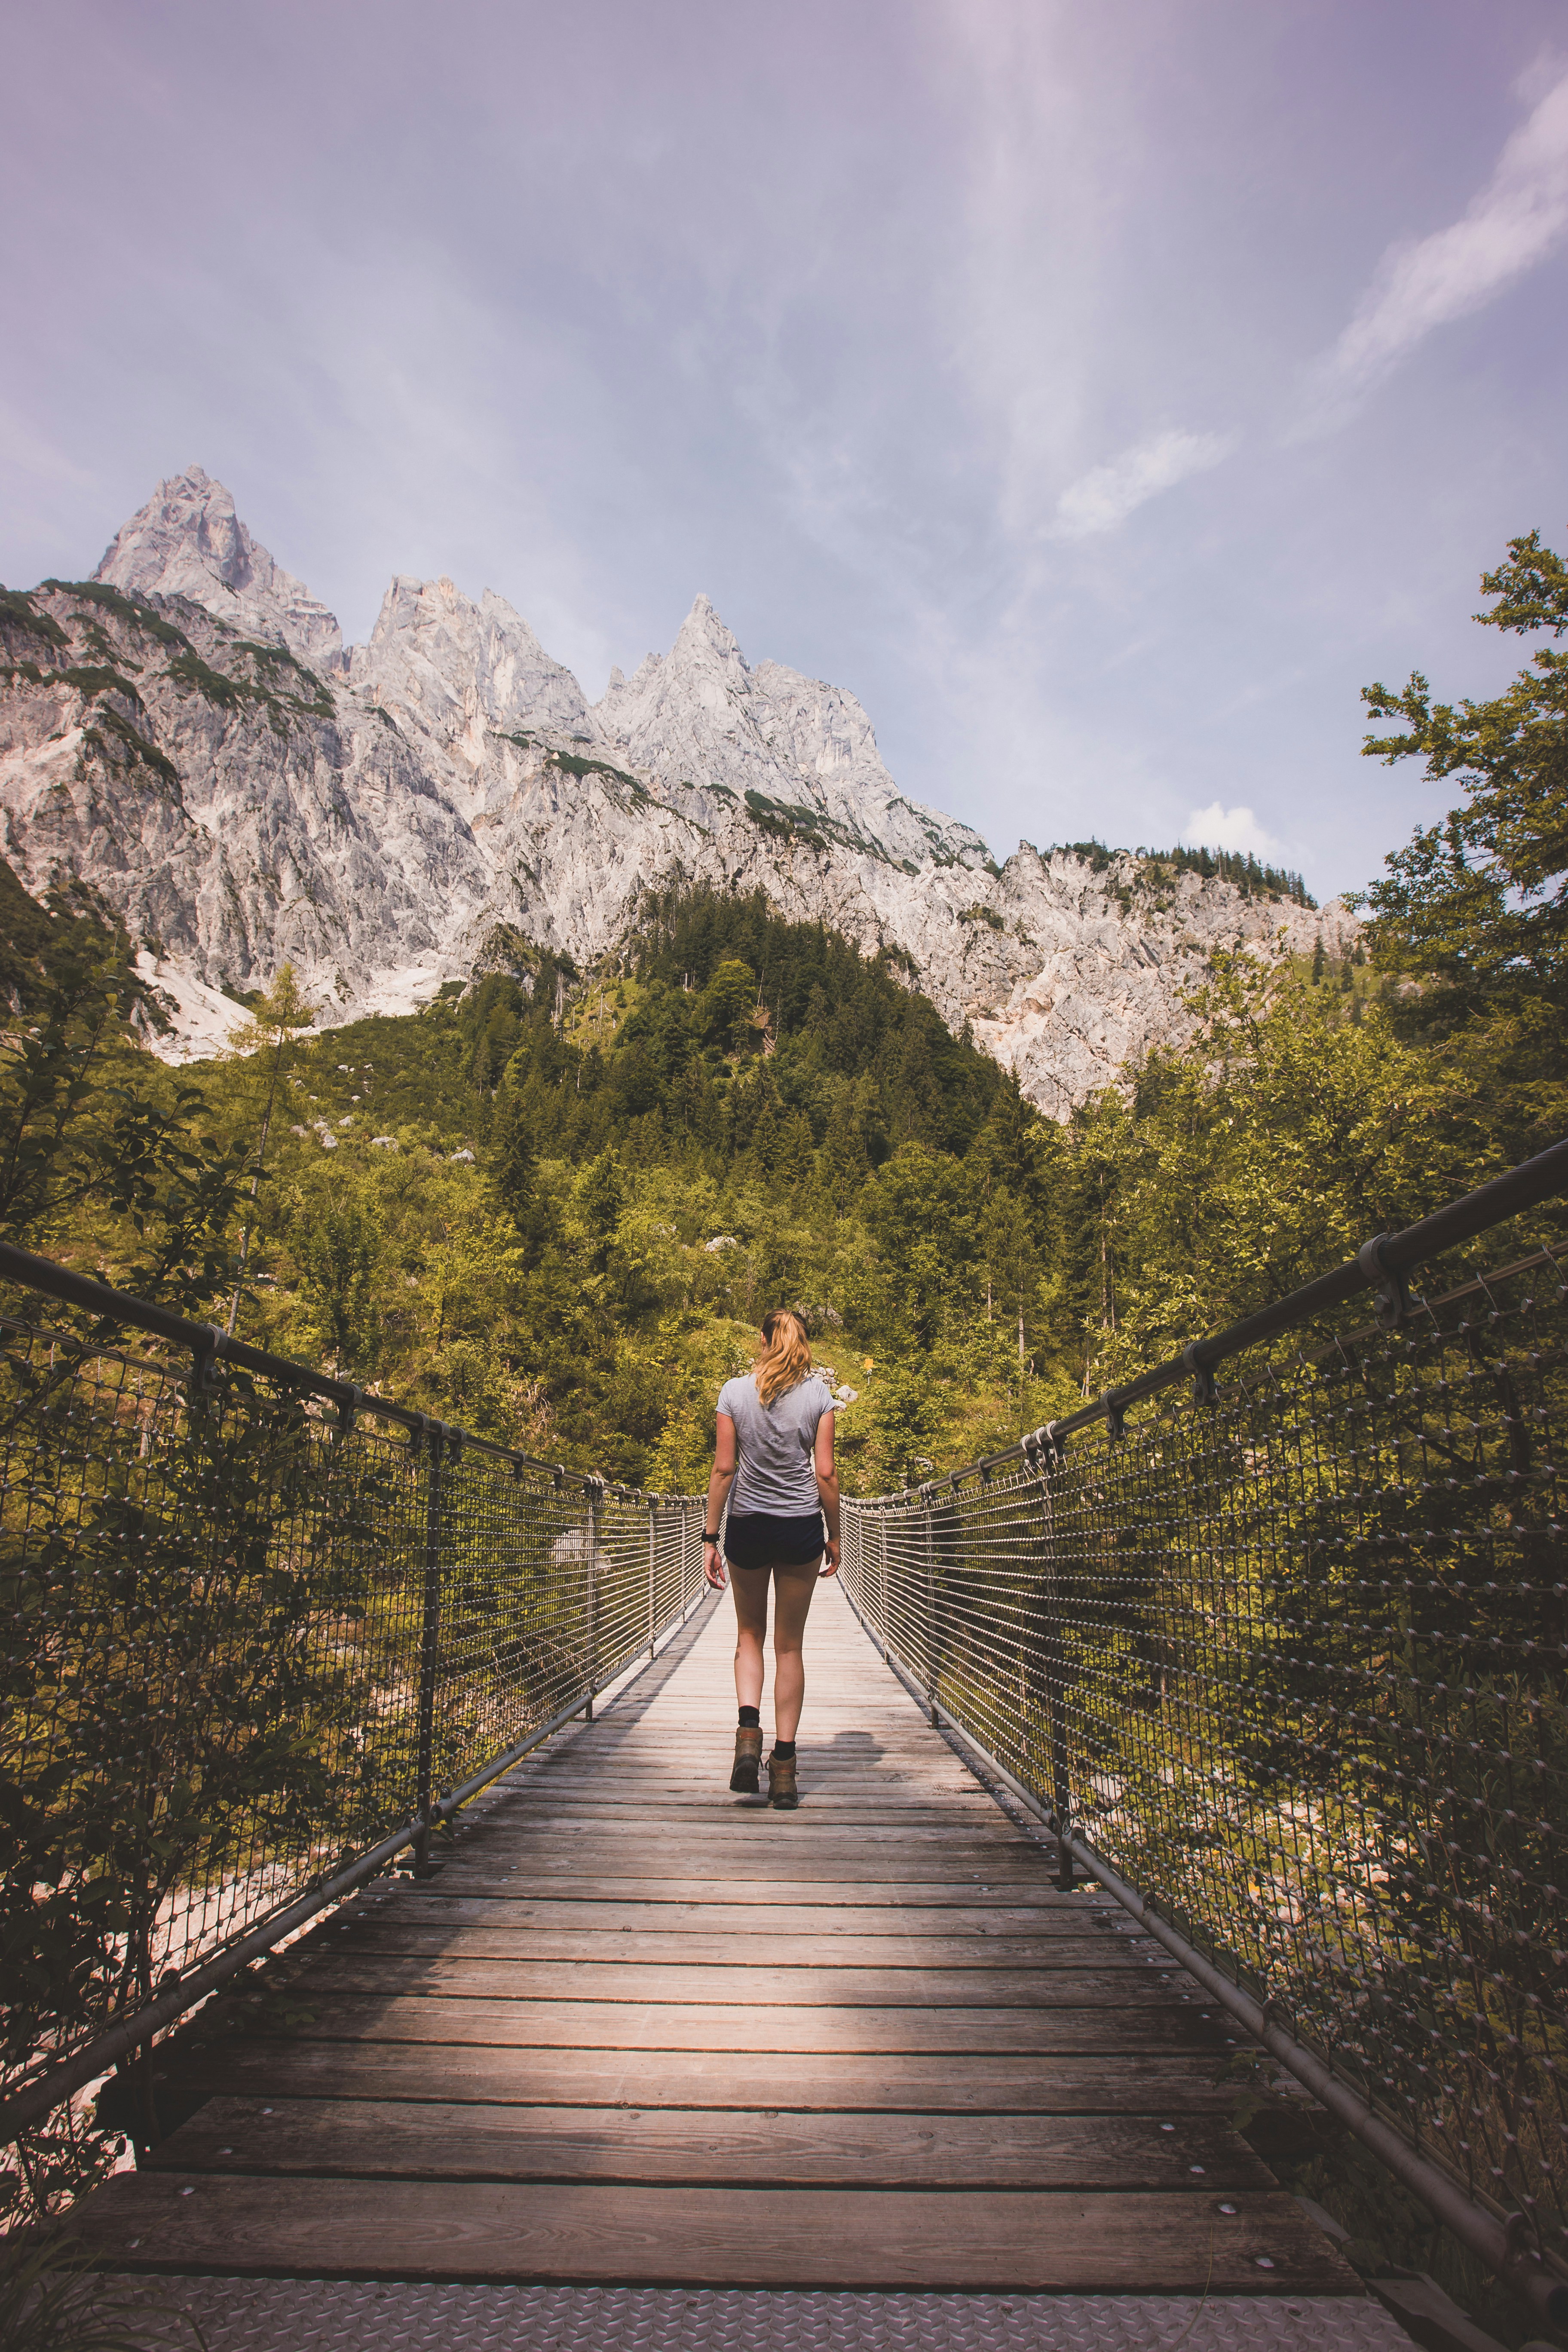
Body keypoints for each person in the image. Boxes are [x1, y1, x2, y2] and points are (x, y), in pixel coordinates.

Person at [702, 1308, 840, 1810]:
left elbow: (723, 1469)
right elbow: (824, 1473)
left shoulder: (734, 1392)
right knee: (789, 1649)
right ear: (803, 1341)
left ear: (762, 1340)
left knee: (748, 1637)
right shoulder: (819, 1396)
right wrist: (835, 1535)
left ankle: (747, 1735)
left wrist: (710, 1537)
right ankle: (783, 1768)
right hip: (800, 1525)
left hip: (748, 1525)